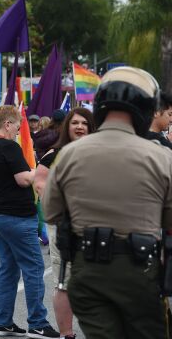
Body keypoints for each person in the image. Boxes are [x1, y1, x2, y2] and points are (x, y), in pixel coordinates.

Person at [43, 66, 172, 338]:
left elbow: (51, 213)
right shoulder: (161, 157)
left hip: (87, 270)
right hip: (140, 271)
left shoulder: (68, 154)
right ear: (146, 108)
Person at [0, 105, 59, 338]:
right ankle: (37, 322)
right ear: (7, 124)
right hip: (16, 216)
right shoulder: (9, 146)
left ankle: (3, 321)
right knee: (34, 267)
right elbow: (23, 180)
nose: (18, 129)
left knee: (8, 268)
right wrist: (43, 168)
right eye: (17, 125)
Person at [34, 107, 95, 339]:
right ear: (67, 126)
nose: (79, 127)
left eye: (84, 123)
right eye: (75, 123)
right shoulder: (55, 153)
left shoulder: (99, 153)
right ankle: (67, 334)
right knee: (64, 281)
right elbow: (39, 183)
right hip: (64, 226)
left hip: (97, 227)